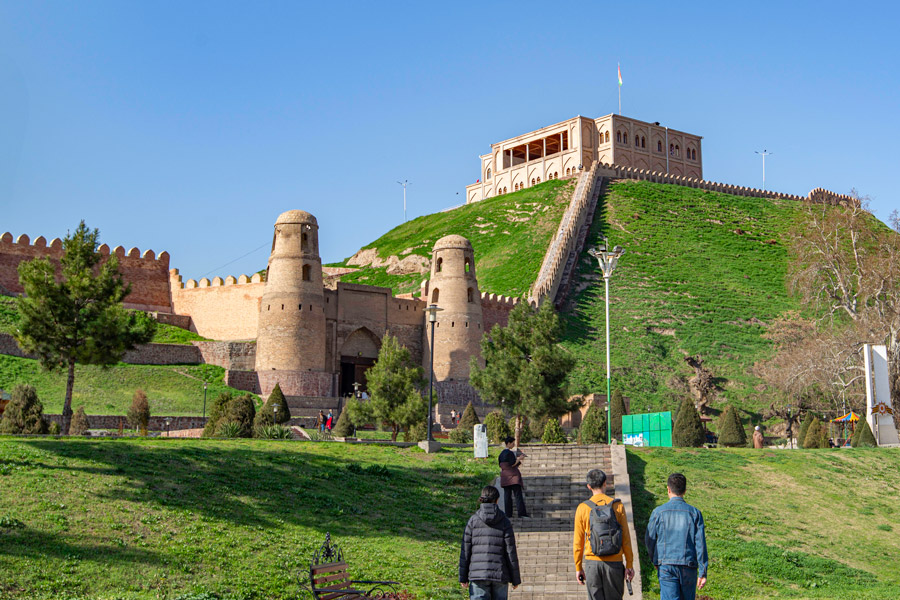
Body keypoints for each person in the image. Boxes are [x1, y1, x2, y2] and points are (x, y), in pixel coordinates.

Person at [644, 473, 708, 600]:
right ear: (685, 490)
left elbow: (649, 539)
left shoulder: (658, 512)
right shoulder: (695, 513)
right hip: (688, 565)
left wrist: (655, 559)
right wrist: (703, 571)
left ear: (668, 489)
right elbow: (700, 543)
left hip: (666, 564)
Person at [573, 469, 634, 599]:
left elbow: (578, 542)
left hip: (592, 563)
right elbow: (626, 538)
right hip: (614, 563)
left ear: (589, 486)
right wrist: (629, 564)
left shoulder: (582, 508)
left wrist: (578, 567)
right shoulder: (617, 506)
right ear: (605, 483)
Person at [459, 485, 521, 599]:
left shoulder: (473, 521)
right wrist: (515, 579)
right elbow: (510, 551)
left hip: (478, 574)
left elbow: (465, 550)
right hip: (500, 574)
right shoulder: (504, 521)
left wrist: (463, 577)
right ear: (497, 500)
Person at [498, 437, 528, 518]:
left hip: (505, 477)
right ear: (508, 443)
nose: (513, 444)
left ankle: (508, 514)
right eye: (512, 443)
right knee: (518, 495)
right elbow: (512, 464)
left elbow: (501, 465)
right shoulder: (510, 453)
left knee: (507, 496)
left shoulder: (501, 454)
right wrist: (520, 459)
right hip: (513, 477)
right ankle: (521, 513)